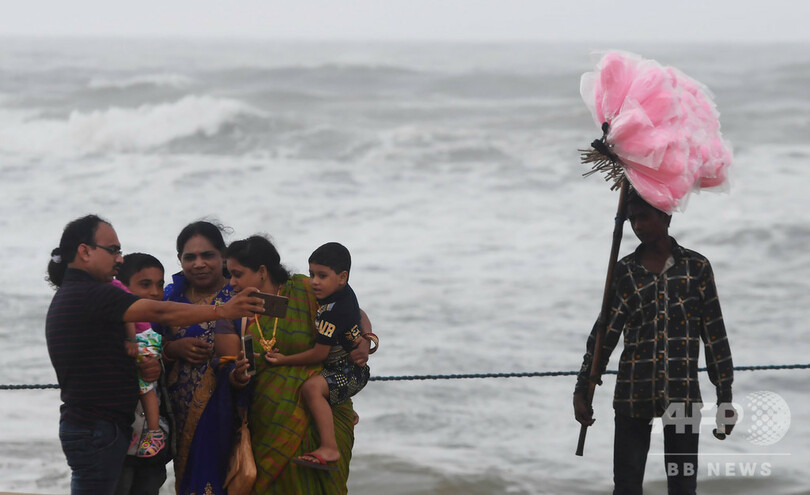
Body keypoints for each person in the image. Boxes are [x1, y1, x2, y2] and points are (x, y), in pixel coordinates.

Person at [45, 215, 262, 495]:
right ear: (85, 251)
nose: (119, 259)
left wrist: (147, 362)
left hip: (104, 425)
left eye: (207, 255)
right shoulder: (94, 294)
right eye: (113, 250)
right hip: (99, 426)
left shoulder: (77, 293)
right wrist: (222, 311)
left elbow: (138, 343)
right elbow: (158, 313)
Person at [573, 189, 735, 495]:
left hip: (683, 395)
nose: (638, 225)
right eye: (632, 219)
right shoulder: (624, 272)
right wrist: (584, 387)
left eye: (644, 217)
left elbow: (715, 336)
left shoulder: (696, 269)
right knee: (627, 485)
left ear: (667, 216)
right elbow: (604, 335)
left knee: (684, 486)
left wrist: (725, 396)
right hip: (633, 393)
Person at [226, 235, 373, 494]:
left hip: (322, 413)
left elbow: (354, 313)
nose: (231, 282)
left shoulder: (304, 289)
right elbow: (234, 372)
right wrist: (238, 376)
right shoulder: (236, 311)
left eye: (237, 274)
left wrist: (367, 338)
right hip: (270, 420)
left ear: (262, 271)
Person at [152, 220, 251, 495]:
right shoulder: (169, 298)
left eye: (207, 255)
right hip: (183, 416)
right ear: (179, 260)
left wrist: (363, 333)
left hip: (236, 409)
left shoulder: (241, 294)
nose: (199, 263)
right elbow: (142, 343)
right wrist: (173, 349)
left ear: (223, 257)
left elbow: (297, 310)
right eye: (190, 257)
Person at [261, 242, 370, 470]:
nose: (314, 282)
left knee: (311, 388)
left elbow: (319, 353)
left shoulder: (333, 313)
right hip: (340, 367)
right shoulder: (343, 292)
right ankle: (339, 409)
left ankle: (330, 447)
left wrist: (284, 360)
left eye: (322, 275)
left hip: (348, 372)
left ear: (342, 277)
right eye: (311, 274)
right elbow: (360, 315)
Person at [113, 253, 172, 495]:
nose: (156, 292)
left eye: (160, 284)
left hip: (150, 445)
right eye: (145, 284)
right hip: (120, 443)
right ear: (123, 288)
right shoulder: (113, 328)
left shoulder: (153, 328)